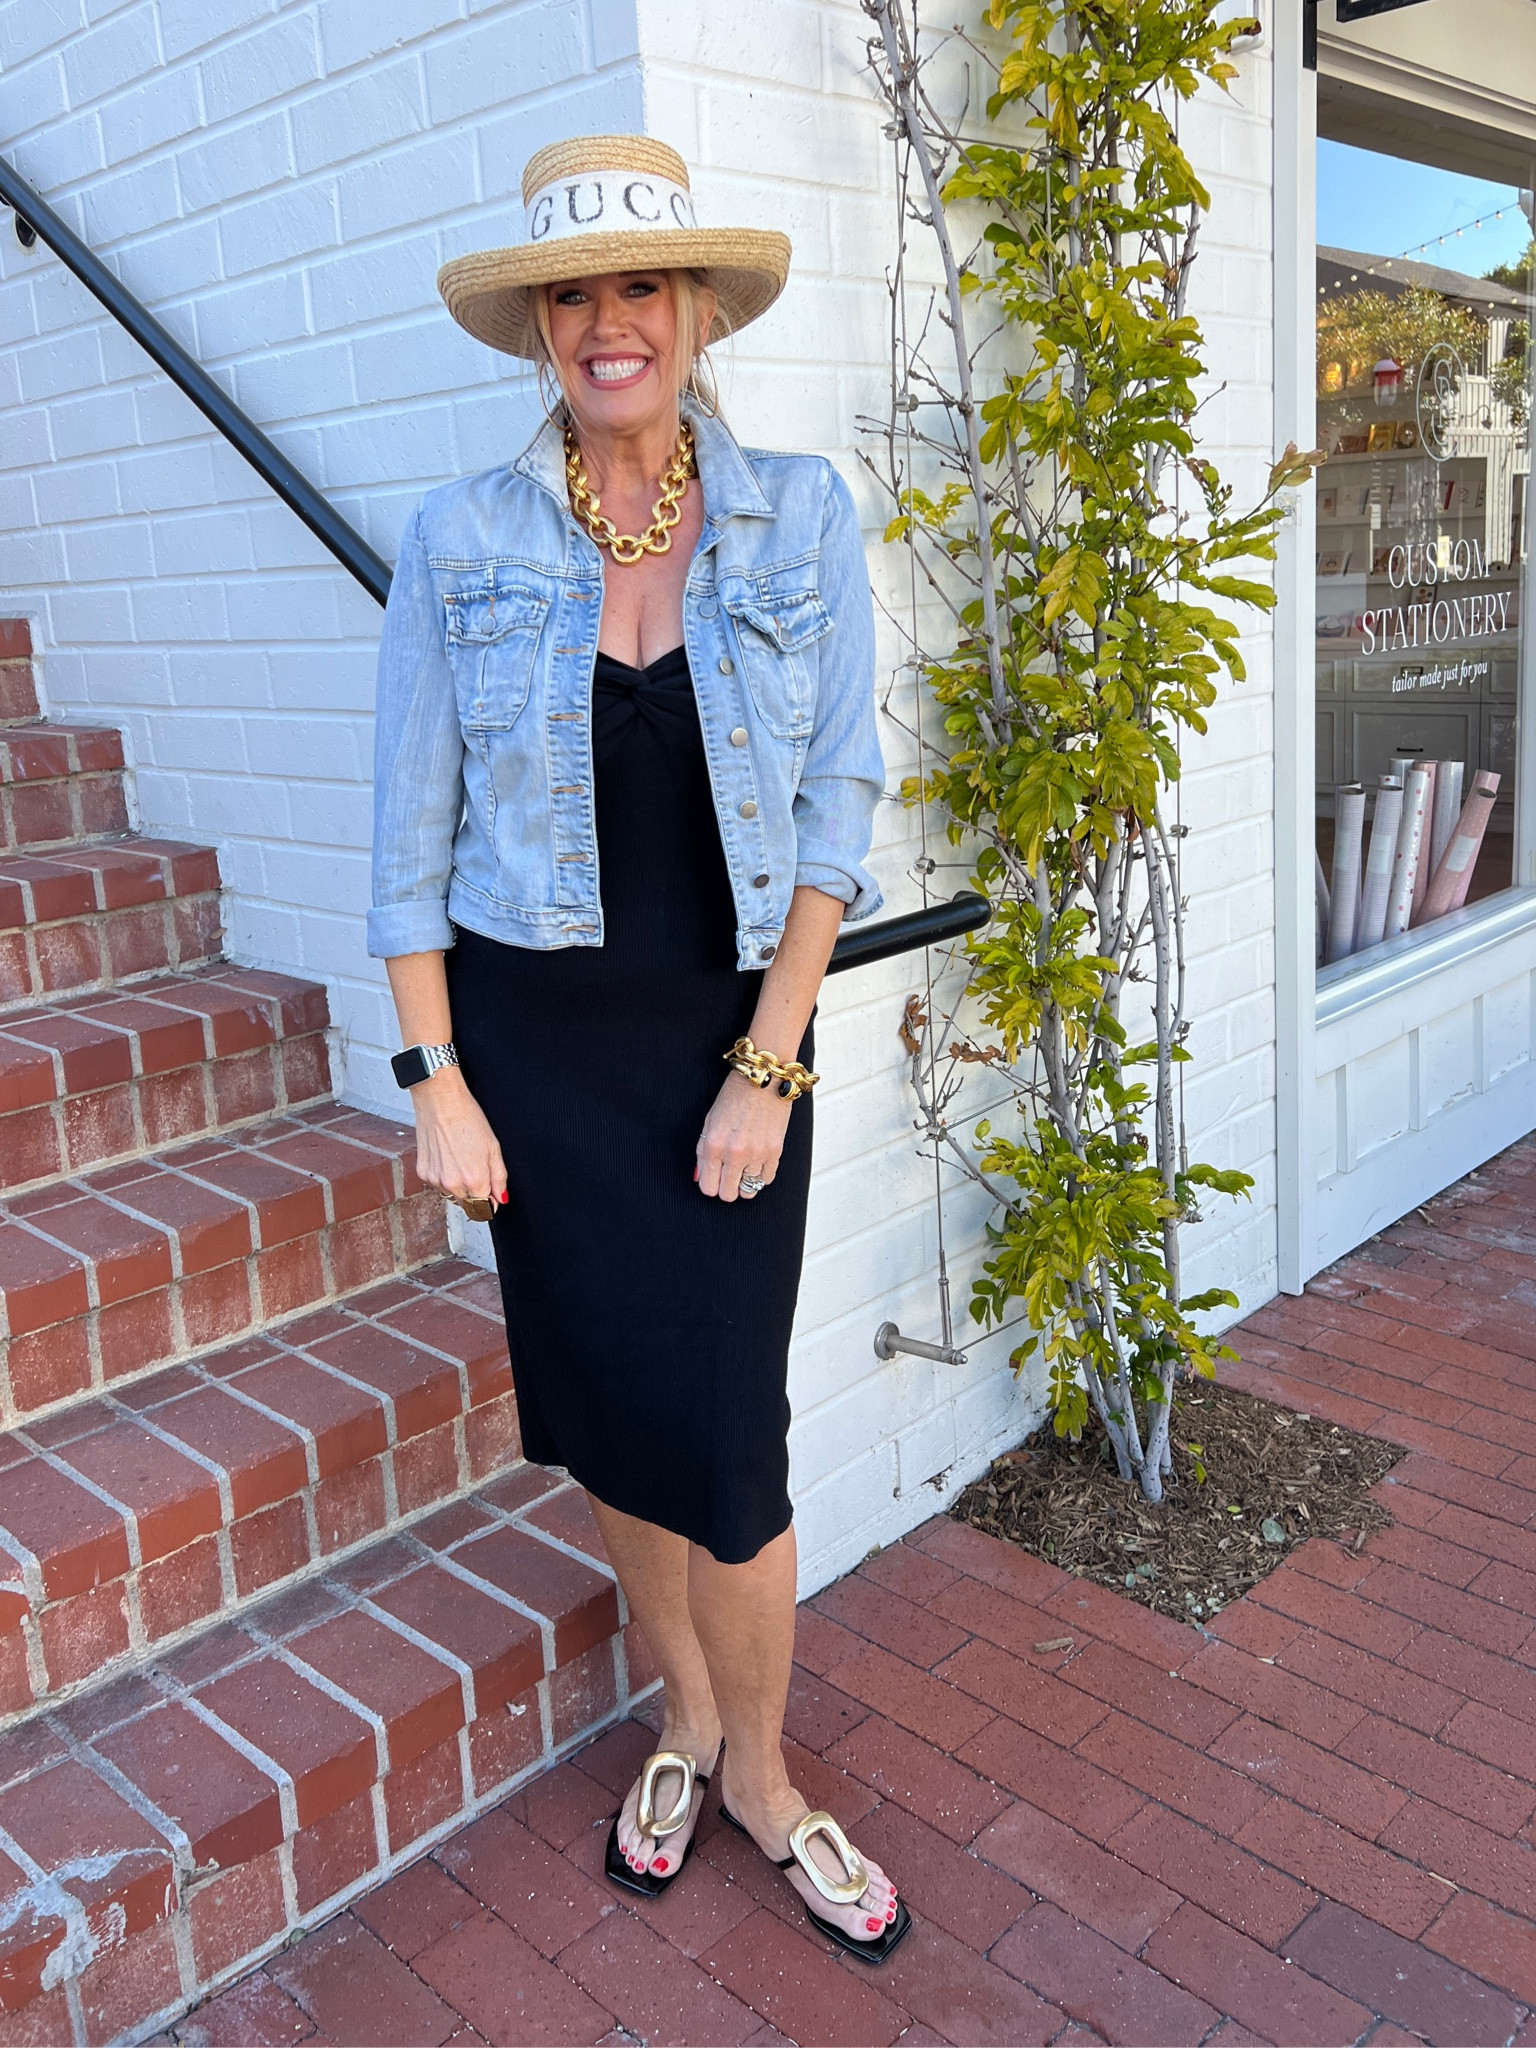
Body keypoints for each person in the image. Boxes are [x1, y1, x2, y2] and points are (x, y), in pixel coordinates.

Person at [369, 134, 908, 1961]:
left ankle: (762, 1766)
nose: (614, 325)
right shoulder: (459, 536)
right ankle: (682, 1720)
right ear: (545, 330)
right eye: (578, 295)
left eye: (643, 288)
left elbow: (835, 806)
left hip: (726, 1041)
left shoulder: (800, 513)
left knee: (730, 1444)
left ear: (692, 315)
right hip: (538, 1052)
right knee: (613, 1420)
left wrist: (770, 1065)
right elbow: (408, 837)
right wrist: (434, 1077)